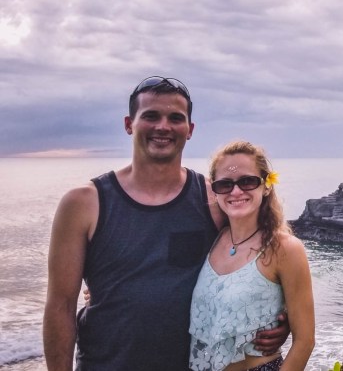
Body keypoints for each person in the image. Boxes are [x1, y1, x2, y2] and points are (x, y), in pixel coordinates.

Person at [43, 77, 289, 370]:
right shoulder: (84, 203)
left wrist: (283, 317)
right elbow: (60, 306)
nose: (163, 126)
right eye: (151, 116)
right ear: (129, 124)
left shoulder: (214, 198)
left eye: (175, 118)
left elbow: (271, 255)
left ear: (190, 130)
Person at [190, 141, 315, 371]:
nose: (236, 191)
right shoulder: (215, 238)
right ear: (214, 191)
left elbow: (305, 341)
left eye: (247, 181)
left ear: (266, 186)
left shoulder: (285, 248)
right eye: (225, 184)